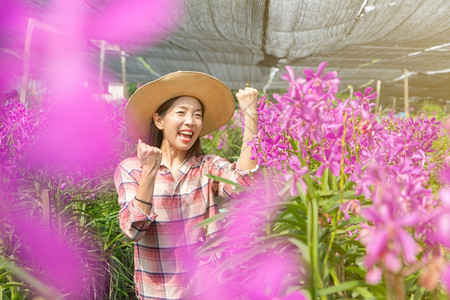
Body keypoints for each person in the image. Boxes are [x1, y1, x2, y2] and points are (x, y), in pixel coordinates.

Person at [114, 71, 258, 300]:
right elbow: (134, 229)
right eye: (181, 113)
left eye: (197, 115)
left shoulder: (207, 166)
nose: (190, 121)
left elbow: (245, 184)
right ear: (159, 120)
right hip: (157, 293)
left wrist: (250, 116)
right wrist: (150, 171)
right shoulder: (131, 169)